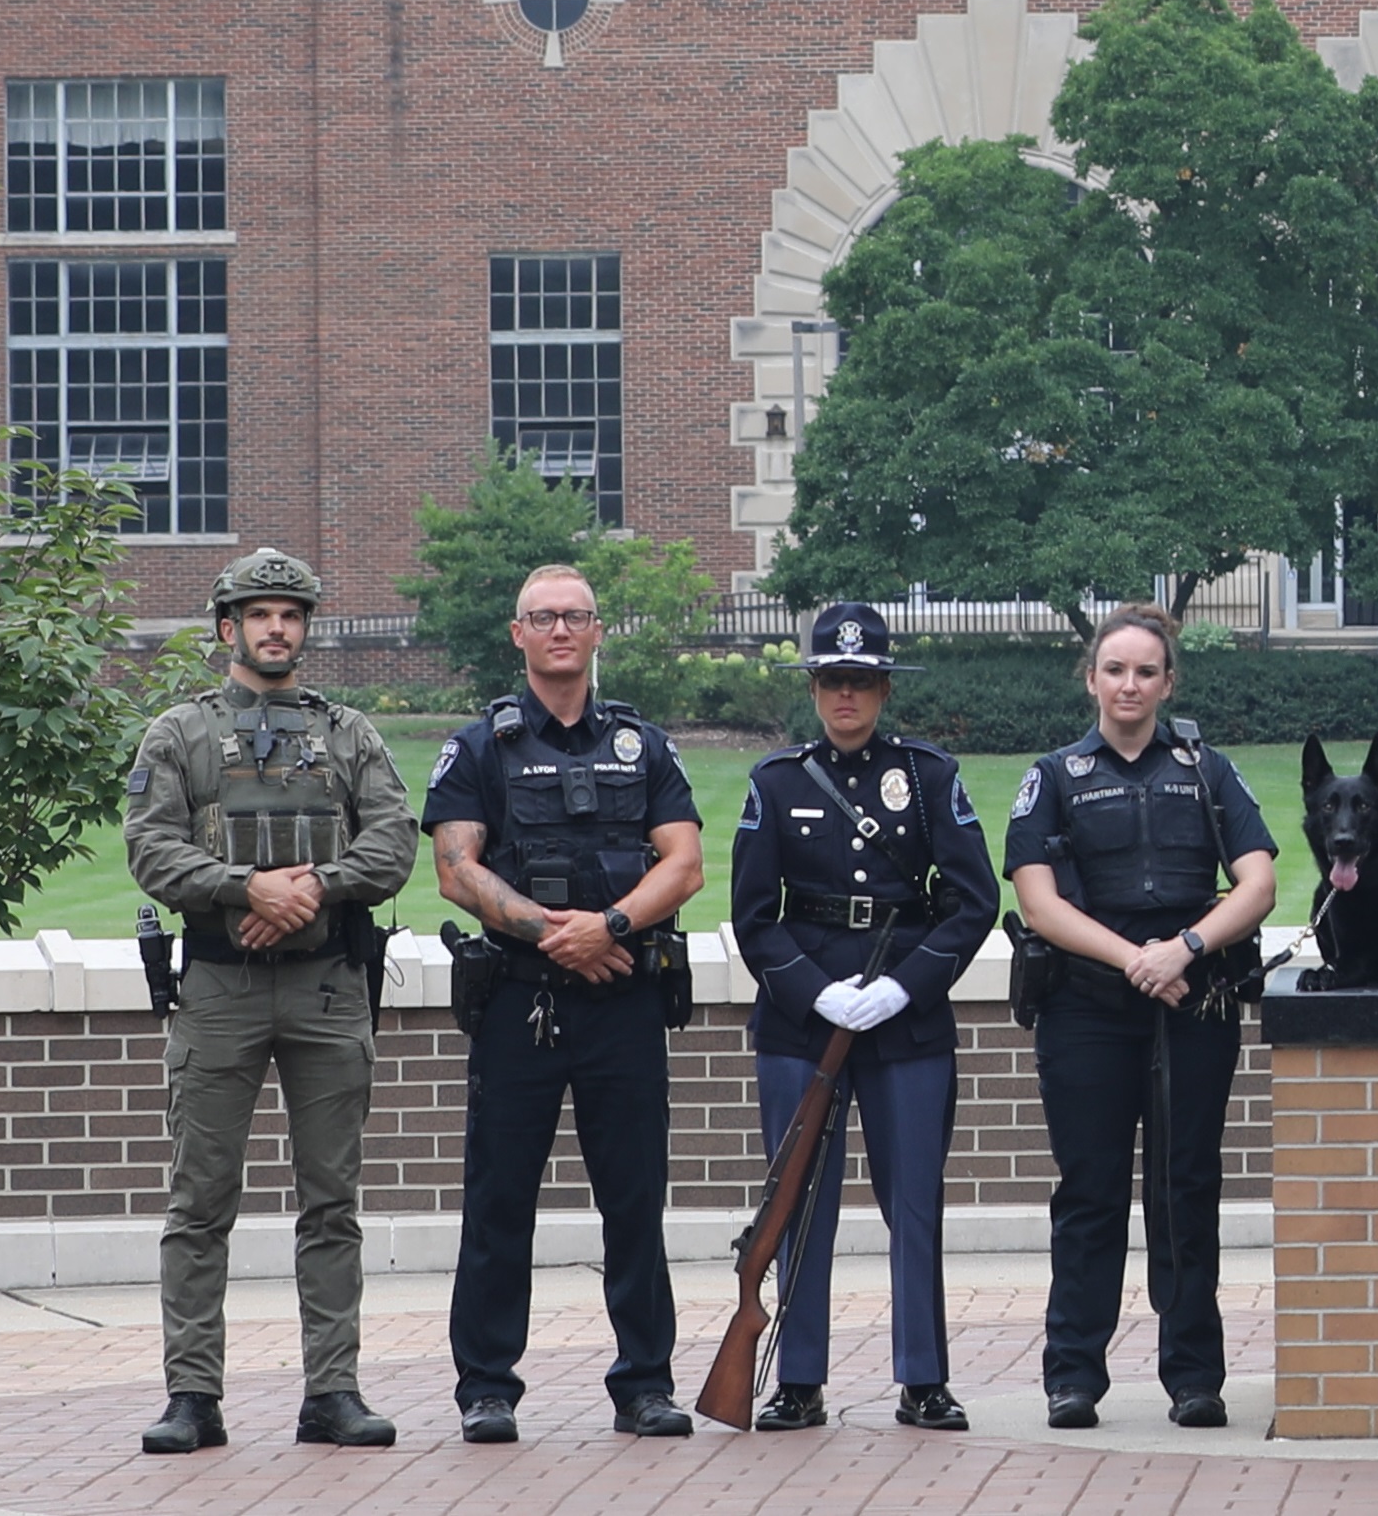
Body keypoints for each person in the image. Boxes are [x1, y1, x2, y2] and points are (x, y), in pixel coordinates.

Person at [122, 549, 418, 1455]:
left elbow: (394, 842)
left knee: (331, 1202)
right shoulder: (179, 733)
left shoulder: (349, 733)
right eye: (259, 614)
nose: (276, 627)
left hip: (327, 986)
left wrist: (313, 886)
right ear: (229, 627)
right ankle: (192, 1396)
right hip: (219, 988)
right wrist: (245, 888)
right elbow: (151, 847)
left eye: (290, 614)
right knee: (199, 1202)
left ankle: (333, 1391)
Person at [426, 563, 705, 1443]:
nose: (558, 630)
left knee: (635, 1200)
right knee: (498, 1200)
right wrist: (559, 934)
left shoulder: (643, 745)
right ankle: (487, 1387)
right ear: (518, 634)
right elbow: (456, 868)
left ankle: (644, 1384)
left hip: (623, 999)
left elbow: (685, 862)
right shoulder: (481, 746)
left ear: (595, 631)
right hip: (521, 999)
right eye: (542, 617)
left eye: (574, 616)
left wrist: (610, 925)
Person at [724, 602, 1000, 1431]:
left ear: (884, 690)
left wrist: (904, 986)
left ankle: (923, 1377)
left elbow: (973, 900)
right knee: (798, 1199)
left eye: (862, 680)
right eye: (833, 680)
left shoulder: (928, 776)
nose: (846, 694)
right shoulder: (777, 781)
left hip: (903, 1014)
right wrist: (815, 990)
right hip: (803, 1016)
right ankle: (798, 1378)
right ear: (814, 688)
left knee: (913, 1200)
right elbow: (753, 915)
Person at [1005, 607, 1279, 1429]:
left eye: (1146, 671)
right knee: (1089, 1192)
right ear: (1090, 678)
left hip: (1192, 1005)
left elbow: (1258, 883)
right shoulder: (1054, 775)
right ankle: (1072, 1375)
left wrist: (1184, 948)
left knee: (1185, 1185)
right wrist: (1137, 959)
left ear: (1168, 682)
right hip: (1086, 1010)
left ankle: (1194, 1376)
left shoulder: (1207, 770)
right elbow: (1037, 902)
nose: (1129, 684)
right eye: (1115, 669)